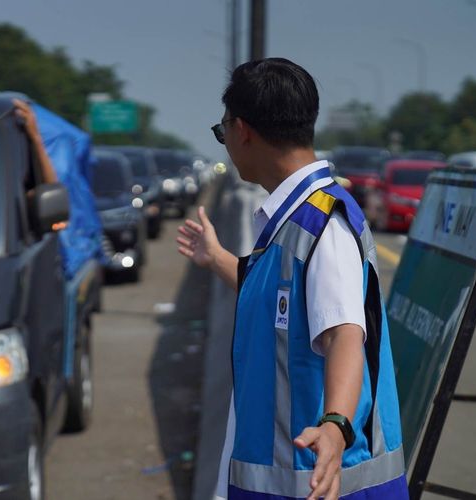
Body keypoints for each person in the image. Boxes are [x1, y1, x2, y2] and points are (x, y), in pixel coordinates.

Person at [177, 58, 408, 500]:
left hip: (318, 481)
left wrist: (336, 424)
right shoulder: (293, 223)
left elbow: (344, 332)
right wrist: (218, 258)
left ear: (242, 129)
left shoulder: (323, 224)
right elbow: (273, 299)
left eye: (222, 130)